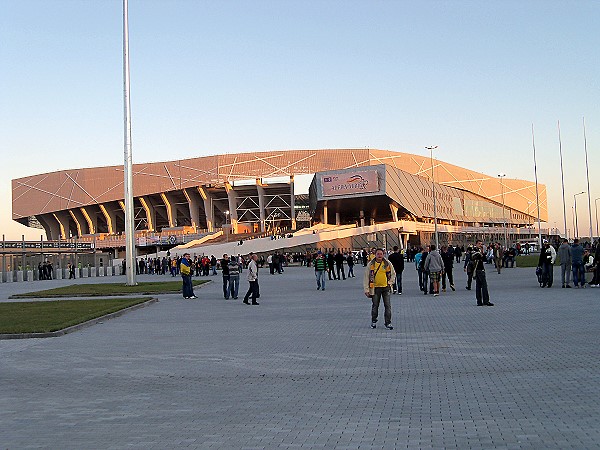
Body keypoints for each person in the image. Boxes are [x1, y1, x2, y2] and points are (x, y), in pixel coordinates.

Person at [363, 248, 396, 330]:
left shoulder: (387, 263)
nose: (379, 255)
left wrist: (390, 283)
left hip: (386, 288)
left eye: (381, 254)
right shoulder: (371, 264)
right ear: (375, 255)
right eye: (378, 254)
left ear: (383, 254)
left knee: (387, 306)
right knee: (375, 306)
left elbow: (393, 274)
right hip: (375, 288)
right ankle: (374, 321)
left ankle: (388, 322)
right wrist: (366, 290)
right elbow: (366, 277)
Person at [471, 240, 494, 306]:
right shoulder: (475, 251)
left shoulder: (479, 251)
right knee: (484, 286)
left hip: (479, 269)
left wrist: (483, 253)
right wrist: (480, 253)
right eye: (479, 244)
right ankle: (485, 301)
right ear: (476, 244)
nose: (480, 245)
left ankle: (479, 301)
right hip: (479, 270)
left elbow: (484, 259)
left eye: (481, 244)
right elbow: (474, 257)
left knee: (478, 286)